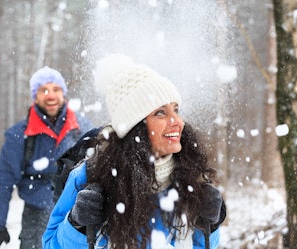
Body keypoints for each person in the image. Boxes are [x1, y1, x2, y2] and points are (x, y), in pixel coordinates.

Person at [42, 54, 226, 249]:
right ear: (135, 126)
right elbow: (50, 244)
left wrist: (210, 227)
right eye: (161, 113)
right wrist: (77, 225)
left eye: (176, 110)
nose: (178, 122)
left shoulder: (191, 176)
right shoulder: (91, 175)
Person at [0, 66, 94, 249]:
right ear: (35, 96)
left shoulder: (83, 129)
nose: (50, 95)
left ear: (63, 93)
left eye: (55, 89)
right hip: (35, 217)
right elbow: (2, 182)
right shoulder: (19, 135)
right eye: (43, 90)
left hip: (75, 216)